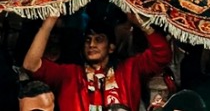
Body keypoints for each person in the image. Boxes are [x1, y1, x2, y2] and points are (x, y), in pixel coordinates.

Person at [23, 14, 171, 111]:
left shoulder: (129, 69)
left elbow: (162, 56)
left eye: (98, 39)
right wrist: (49, 23)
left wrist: (143, 25)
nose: (91, 44)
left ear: (111, 47)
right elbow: (31, 65)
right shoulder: (69, 74)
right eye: (88, 40)